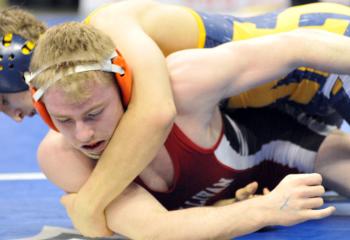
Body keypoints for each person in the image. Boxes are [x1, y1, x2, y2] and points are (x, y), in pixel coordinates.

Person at [4, 2, 350, 236]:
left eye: (94, 112)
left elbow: (158, 112)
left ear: (124, 86)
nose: (83, 133)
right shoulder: (61, 153)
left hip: (327, 48)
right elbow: (154, 231)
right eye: (63, 119)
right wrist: (263, 210)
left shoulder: (172, 79)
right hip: (280, 115)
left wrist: (90, 205)